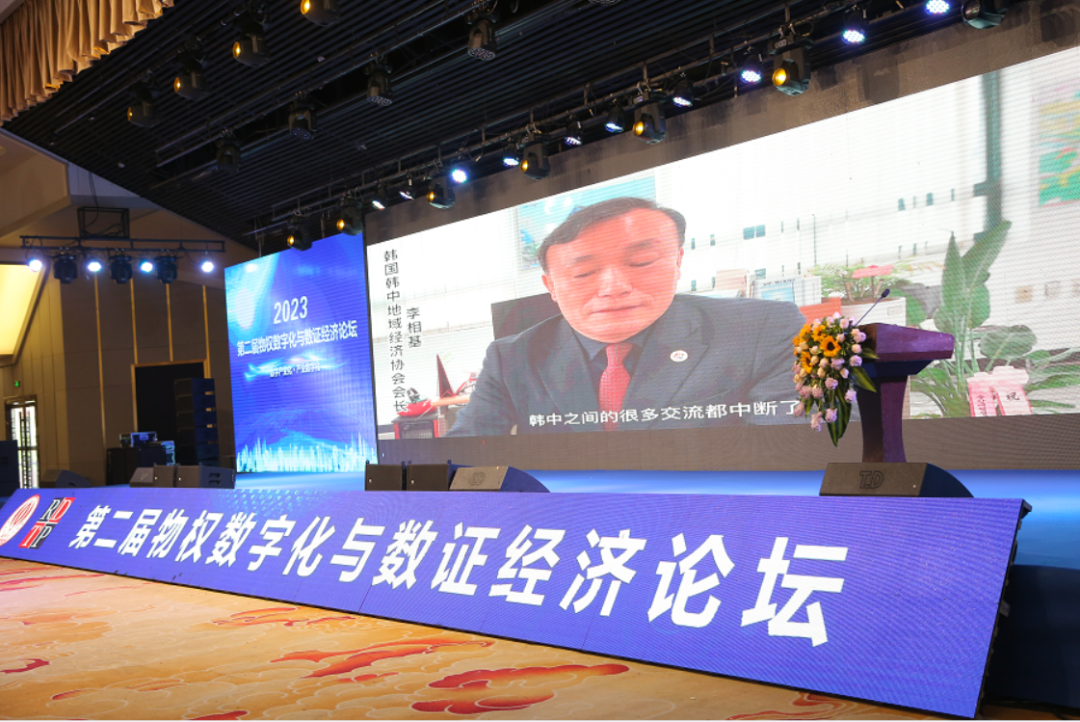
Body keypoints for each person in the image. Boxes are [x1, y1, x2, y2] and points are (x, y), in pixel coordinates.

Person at [446, 197, 805, 436]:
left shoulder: (761, 330)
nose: (614, 287)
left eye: (641, 262)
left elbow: (794, 452)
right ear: (551, 286)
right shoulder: (511, 357)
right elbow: (463, 456)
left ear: (677, 261)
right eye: (583, 273)